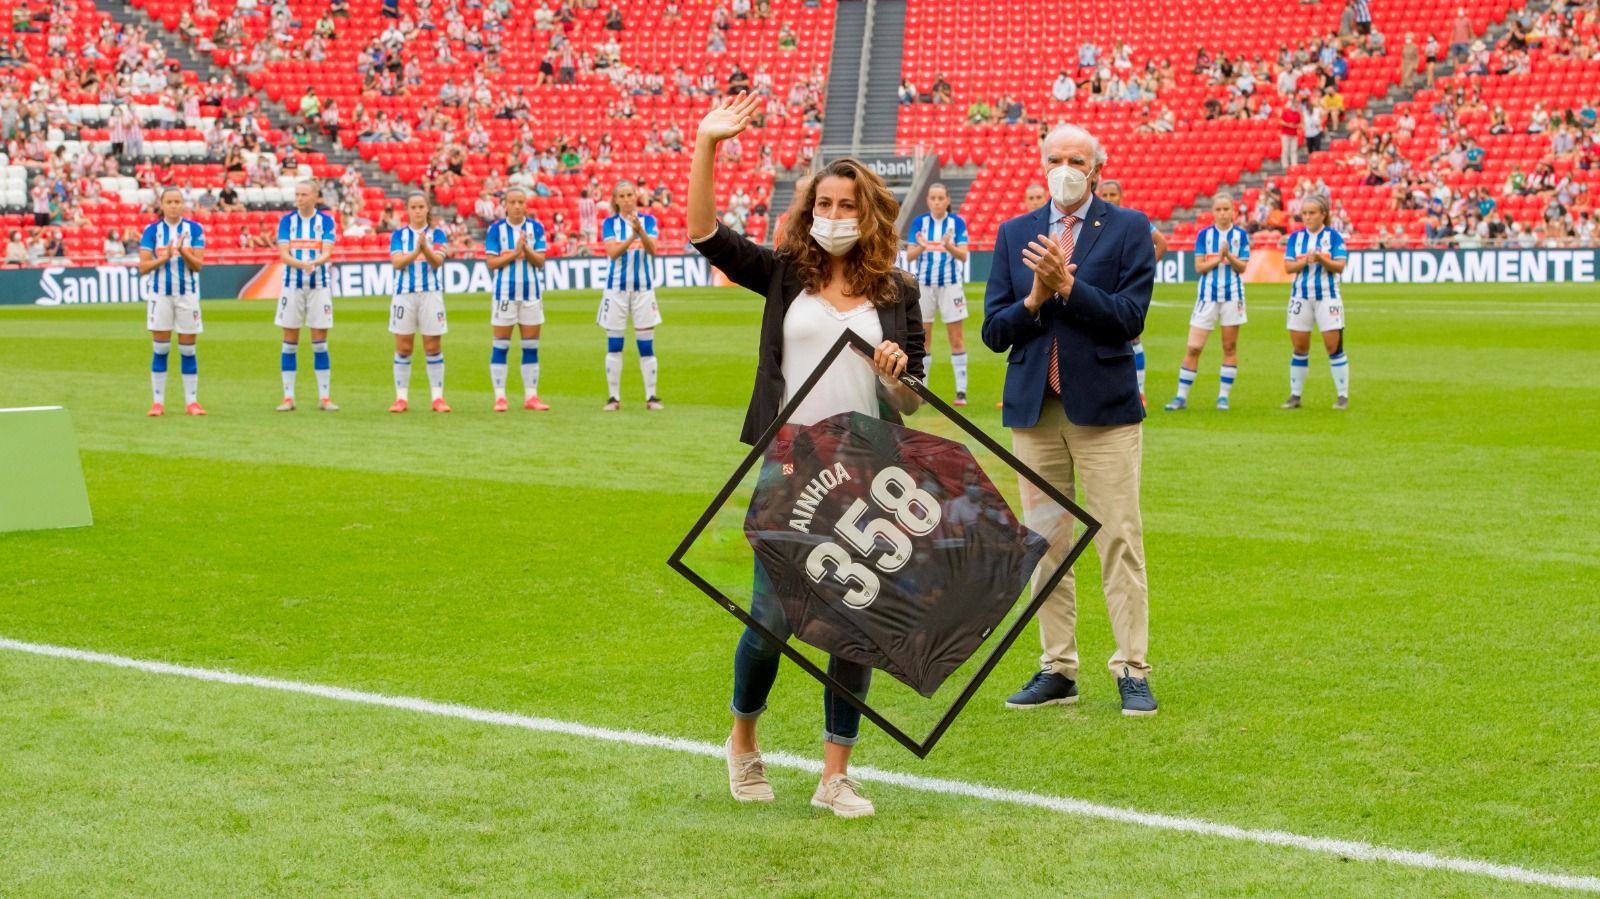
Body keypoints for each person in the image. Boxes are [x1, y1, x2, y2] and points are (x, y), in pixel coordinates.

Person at [688, 93, 924, 818]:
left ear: (869, 211)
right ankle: (743, 741)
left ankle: (835, 774)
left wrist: (894, 377)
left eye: (847, 202)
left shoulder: (898, 291)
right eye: (823, 201)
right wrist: (707, 145)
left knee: (854, 622)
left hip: (867, 469)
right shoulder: (785, 272)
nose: (833, 212)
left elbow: (916, 397)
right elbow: (705, 234)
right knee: (772, 617)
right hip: (790, 463)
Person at [980, 123, 1158, 717]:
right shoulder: (1014, 233)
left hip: (1104, 412)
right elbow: (994, 331)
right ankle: (1057, 667)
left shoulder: (1129, 228)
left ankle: (1132, 668)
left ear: (1096, 169)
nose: (1064, 167)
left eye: (1076, 159)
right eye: (1054, 158)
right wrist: (1034, 299)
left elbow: (1129, 318)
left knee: (1118, 540)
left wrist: (1069, 286)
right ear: (1041, 165)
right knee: (1046, 545)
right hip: (1035, 412)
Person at [1164, 192, 1250, 411]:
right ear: (1212, 212)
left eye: (1226, 209)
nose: (1222, 213)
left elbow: (1242, 267)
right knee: (1194, 347)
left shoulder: (1241, 235)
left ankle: (1223, 397)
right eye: (1218, 209)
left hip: (1233, 296)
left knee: (1229, 347)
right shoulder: (1204, 235)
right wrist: (1219, 258)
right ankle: (1181, 397)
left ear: (1233, 211)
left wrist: (1229, 256)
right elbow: (1199, 267)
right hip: (1207, 297)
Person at [1095, 179, 1166, 405]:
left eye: (1112, 194)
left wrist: (1144, 271)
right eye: (1104, 194)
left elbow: (1161, 243)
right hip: (1100, 284)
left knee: (1132, 335)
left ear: (1121, 196)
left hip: (1124, 284)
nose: (1108, 198)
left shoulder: (1131, 220)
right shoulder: (1094, 220)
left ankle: (1140, 390)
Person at [138, 188, 207, 417]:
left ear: (183, 204)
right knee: (161, 347)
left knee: (188, 349)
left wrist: (182, 252)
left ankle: (192, 402)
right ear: (162, 204)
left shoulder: (194, 229)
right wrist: (165, 257)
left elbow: (198, 265)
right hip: (160, 295)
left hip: (187, 294)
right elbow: (143, 267)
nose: (174, 205)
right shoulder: (152, 231)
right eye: (170, 201)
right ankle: (158, 402)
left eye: (178, 201)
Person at [483, 187, 552, 412]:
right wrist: (515, 253)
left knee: (531, 346)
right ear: (505, 205)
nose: (516, 206)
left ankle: (531, 396)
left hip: (531, 294)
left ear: (526, 204)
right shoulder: (496, 230)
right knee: (501, 345)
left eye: (520, 202)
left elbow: (540, 261)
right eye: (512, 202)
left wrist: (526, 250)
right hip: (504, 294)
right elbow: (491, 263)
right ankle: (500, 397)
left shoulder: (536, 228)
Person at [274, 181, 340, 412]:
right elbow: (284, 255)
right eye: (297, 194)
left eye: (304, 194)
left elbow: (327, 252)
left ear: (315, 197)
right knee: (289, 342)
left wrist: (314, 263)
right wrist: (302, 264)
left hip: (319, 286)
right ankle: (288, 397)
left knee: (320, 343)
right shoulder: (287, 222)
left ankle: (324, 397)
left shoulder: (326, 222)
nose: (299, 198)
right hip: (291, 286)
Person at [903, 183, 971, 404]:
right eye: (933, 198)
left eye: (941, 198)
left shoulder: (957, 223)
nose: (937, 202)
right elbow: (910, 256)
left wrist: (948, 246)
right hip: (924, 286)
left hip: (951, 285)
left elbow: (963, 256)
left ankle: (961, 391)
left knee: (956, 337)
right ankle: (924, 390)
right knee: (923, 337)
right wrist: (922, 246)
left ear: (948, 200)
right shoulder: (919, 223)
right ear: (928, 200)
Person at [599, 180, 663, 410]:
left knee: (646, 345)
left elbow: (653, 249)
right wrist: (631, 237)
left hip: (643, 290)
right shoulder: (609, 223)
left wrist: (640, 232)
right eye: (622, 196)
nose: (626, 199)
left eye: (630, 195)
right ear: (616, 200)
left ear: (636, 197)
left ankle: (652, 397)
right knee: (615, 343)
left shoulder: (648, 221)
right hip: (616, 290)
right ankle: (613, 397)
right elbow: (613, 253)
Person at [1281, 195, 1349, 409]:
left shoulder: (1334, 237)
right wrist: (1304, 261)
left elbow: (1339, 266)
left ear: (1323, 214)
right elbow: (1288, 267)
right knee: (1300, 346)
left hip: (1327, 296)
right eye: (1305, 213)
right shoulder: (1295, 238)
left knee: (1333, 346)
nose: (1308, 217)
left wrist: (1321, 259)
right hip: (1301, 296)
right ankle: (1295, 395)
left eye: (1312, 213)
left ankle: (1342, 395)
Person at [388, 193, 452, 413]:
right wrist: (418, 250)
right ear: (408, 210)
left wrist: (425, 249)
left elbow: (437, 262)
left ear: (427, 209)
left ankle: (437, 398)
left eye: (420, 207)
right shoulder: (399, 235)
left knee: (433, 346)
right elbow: (397, 263)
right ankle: (401, 398)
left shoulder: (438, 234)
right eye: (413, 207)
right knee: (404, 347)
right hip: (404, 294)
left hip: (430, 294)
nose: (417, 211)